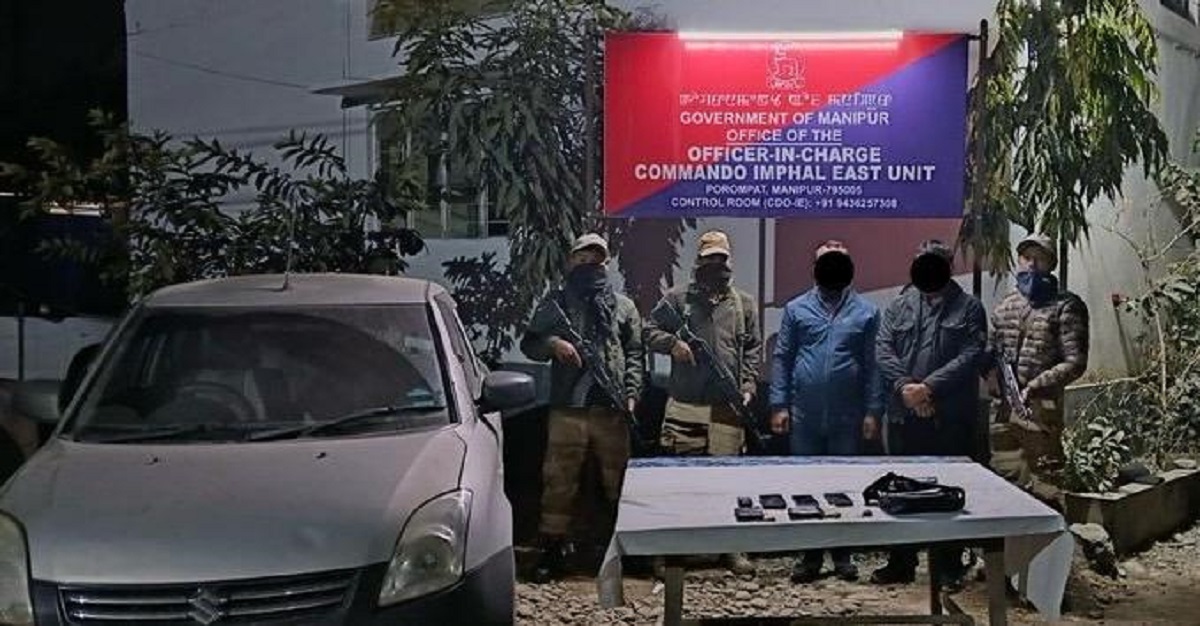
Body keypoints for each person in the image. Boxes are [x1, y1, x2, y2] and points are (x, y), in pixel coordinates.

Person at [520, 233, 645, 583]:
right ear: (572, 260)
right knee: (559, 481)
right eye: (583, 258)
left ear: (606, 263)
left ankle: (628, 548)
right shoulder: (556, 302)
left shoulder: (623, 306)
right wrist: (554, 344)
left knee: (620, 481)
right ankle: (551, 550)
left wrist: (632, 393)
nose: (590, 264)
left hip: (612, 410)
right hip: (568, 409)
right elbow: (530, 343)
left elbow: (635, 353)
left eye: (597, 259)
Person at [645, 229, 762, 576]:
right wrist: (673, 345)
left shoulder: (743, 303)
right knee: (679, 482)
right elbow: (648, 330)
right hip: (686, 404)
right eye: (709, 258)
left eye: (720, 258)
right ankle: (671, 550)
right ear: (699, 260)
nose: (716, 264)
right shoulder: (678, 299)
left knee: (728, 482)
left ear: (729, 261)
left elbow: (752, 349)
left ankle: (730, 548)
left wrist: (748, 385)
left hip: (727, 407)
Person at [874, 240, 988, 590]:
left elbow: (971, 354)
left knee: (947, 491)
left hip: (948, 417)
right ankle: (901, 562)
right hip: (905, 415)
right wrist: (907, 388)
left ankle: (948, 565)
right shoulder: (899, 305)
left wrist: (929, 389)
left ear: (948, 267)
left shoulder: (969, 308)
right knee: (901, 488)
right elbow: (883, 348)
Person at [770, 240, 884, 584]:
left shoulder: (867, 312)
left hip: (847, 416)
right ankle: (810, 556)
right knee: (806, 485)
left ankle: (843, 555)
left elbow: (873, 365)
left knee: (843, 486)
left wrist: (873, 411)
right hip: (804, 414)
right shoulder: (796, 309)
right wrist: (778, 404)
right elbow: (782, 358)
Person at [986, 234, 1089, 509]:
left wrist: (1035, 385)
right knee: (1005, 479)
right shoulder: (1005, 306)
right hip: (1003, 409)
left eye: (1039, 259)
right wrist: (991, 376)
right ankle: (1009, 537)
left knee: (1047, 482)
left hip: (1040, 409)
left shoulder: (1066, 306)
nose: (1031, 264)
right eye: (1026, 258)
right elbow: (989, 351)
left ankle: (1052, 534)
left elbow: (1075, 362)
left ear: (1051, 264)